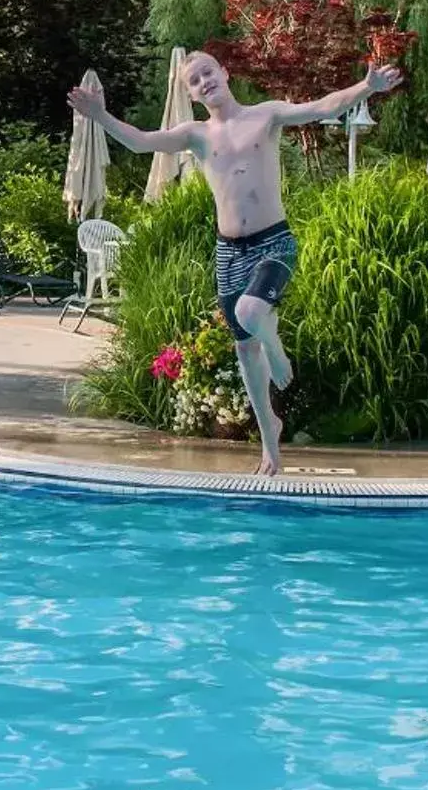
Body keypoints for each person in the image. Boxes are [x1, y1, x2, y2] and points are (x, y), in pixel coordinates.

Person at [68, 53, 403, 475]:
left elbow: (323, 106)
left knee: (250, 315)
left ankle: (279, 354)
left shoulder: (266, 115)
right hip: (229, 252)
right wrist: (100, 115)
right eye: (194, 80)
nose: (203, 81)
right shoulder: (196, 134)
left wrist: (367, 88)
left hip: (273, 242)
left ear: (225, 73)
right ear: (191, 93)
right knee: (245, 349)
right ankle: (270, 441)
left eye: (208, 71)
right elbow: (141, 141)